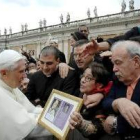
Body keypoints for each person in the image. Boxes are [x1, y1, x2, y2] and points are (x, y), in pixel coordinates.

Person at [0, 50, 52, 140]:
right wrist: (58, 120)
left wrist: (51, 112)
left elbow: (32, 110)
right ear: (4, 73)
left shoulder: (11, 86)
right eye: (21, 71)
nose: (25, 76)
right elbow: (29, 129)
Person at [102, 41, 140, 140]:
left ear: (136, 61)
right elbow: (106, 103)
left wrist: (116, 122)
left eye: (118, 63)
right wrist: (118, 102)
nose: (114, 69)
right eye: (113, 64)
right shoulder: (118, 81)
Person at [69, 62, 111, 140]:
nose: (82, 80)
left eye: (88, 78)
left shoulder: (101, 103)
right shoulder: (79, 92)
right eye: (83, 76)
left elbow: (97, 129)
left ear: (99, 85)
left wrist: (81, 124)